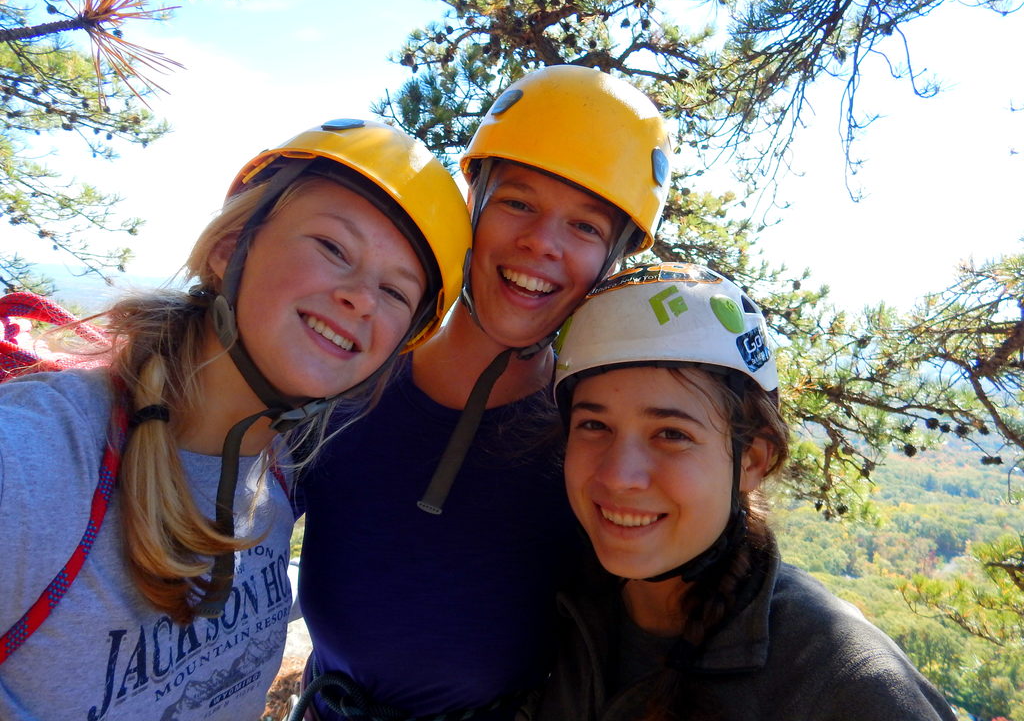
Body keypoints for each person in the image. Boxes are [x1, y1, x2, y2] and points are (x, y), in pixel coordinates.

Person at [0, 118, 471, 721]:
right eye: (332, 247)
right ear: (230, 249)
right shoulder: (36, 464)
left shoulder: (280, 477)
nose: (361, 298)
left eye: (397, 292)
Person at [290, 66, 674, 720]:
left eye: (585, 227)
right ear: (476, 202)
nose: (541, 243)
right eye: (519, 202)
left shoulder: (590, 449)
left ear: (610, 259)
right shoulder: (350, 382)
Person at [527, 261, 959, 721]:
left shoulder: (845, 683)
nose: (618, 476)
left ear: (752, 459)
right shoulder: (553, 604)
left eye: (671, 434)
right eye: (594, 425)